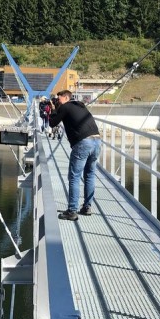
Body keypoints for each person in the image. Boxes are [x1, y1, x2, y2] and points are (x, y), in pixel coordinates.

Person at [49, 90, 101, 221]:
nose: (57, 100)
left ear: (66, 97)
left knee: (74, 177)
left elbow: (52, 123)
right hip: (97, 141)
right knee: (89, 175)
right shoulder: (80, 105)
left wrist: (54, 109)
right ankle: (87, 207)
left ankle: (72, 211)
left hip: (83, 143)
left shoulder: (65, 106)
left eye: (58, 98)